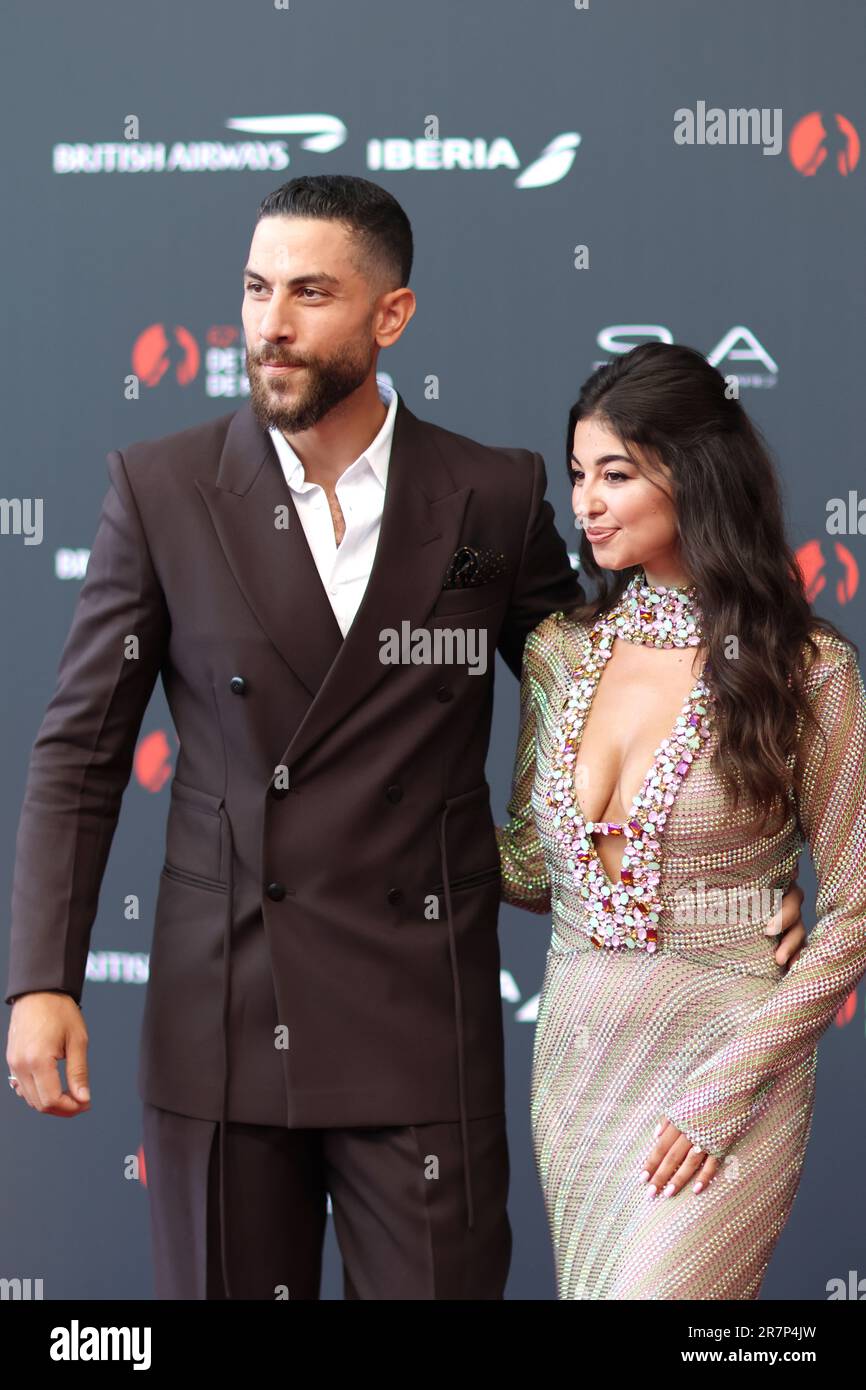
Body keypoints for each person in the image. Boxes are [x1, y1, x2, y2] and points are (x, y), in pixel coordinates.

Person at [4, 178, 807, 1301]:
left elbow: (617, 676)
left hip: (420, 1022)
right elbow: (80, 752)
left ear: (390, 317)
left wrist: (729, 878)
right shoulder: (163, 489)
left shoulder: (487, 496)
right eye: (254, 291)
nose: (269, 324)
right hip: (225, 1012)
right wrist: (42, 976)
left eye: (308, 293)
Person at [496, 340, 866, 1299]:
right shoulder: (557, 654)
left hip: (728, 1060)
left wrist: (726, 1089)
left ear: (694, 472)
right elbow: (532, 874)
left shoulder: (805, 667)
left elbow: (859, 905)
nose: (586, 503)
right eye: (578, 476)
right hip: (580, 1063)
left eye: (615, 474)